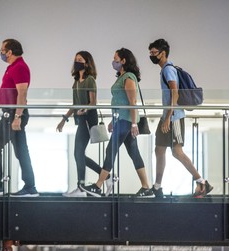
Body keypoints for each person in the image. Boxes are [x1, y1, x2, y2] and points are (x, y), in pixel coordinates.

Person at [82, 48, 152, 197]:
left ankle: (98, 186)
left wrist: (134, 124)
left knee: (110, 150)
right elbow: (119, 103)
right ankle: (146, 188)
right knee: (134, 153)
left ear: (124, 60)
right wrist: (113, 121)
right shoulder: (122, 77)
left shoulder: (128, 77)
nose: (113, 62)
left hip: (127, 121)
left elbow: (132, 102)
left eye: (115, 59)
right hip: (122, 120)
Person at [148, 39, 213, 198]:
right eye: (150, 53)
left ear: (163, 53)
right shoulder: (164, 69)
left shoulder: (168, 70)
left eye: (154, 53)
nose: (151, 55)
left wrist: (169, 117)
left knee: (177, 152)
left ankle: (202, 182)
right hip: (167, 116)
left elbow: (174, 92)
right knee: (159, 149)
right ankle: (157, 187)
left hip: (174, 117)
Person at [0, 38, 38, 197]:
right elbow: (5, 94)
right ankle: (30, 187)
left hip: (14, 113)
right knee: (21, 151)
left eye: (2, 49)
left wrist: (18, 116)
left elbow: (22, 93)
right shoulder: (12, 68)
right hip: (10, 112)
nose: (0, 52)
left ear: (10, 51)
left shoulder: (20, 67)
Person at [56, 51, 101, 197]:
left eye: (80, 59)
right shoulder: (76, 82)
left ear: (87, 63)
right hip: (80, 119)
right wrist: (64, 119)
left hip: (89, 119)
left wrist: (84, 109)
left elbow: (93, 102)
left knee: (78, 153)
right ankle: (104, 176)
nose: (77, 62)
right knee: (78, 153)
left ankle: (81, 187)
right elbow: (74, 104)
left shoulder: (90, 80)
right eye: (76, 59)